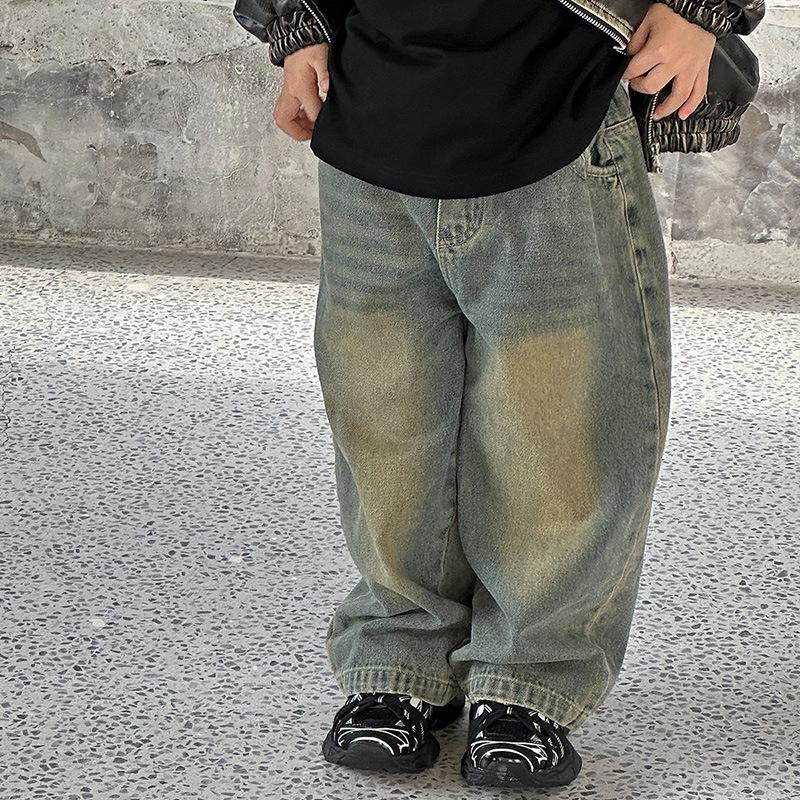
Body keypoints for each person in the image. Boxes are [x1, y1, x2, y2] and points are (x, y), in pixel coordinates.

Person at [233, 0, 764, 788]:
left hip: (556, 109)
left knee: (561, 423)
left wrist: (696, 12)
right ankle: (399, 659)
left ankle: (528, 678)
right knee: (385, 421)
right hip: (372, 106)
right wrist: (298, 26)